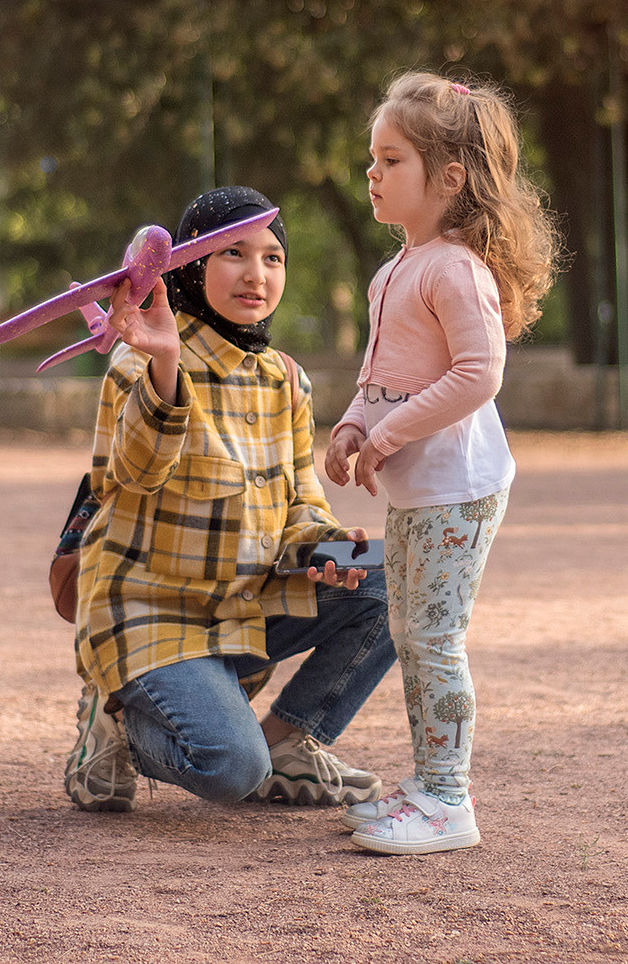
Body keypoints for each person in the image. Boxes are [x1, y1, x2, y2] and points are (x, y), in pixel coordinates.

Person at [63, 187, 394, 814]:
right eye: (233, 254)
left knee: (396, 577)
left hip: (243, 605)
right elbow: (130, 476)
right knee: (231, 769)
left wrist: (326, 545)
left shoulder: (284, 379)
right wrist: (164, 366)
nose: (256, 274)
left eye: (273, 258)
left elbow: (299, 499)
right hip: (152, 613)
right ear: (189, 267)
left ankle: (291, 741)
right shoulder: (142, 360)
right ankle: (114, 717)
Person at [322, 72, 557, 855]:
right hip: (419, 490)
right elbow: (382, 373)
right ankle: (427, 781)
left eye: (391, 160)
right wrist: (355, 424)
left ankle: (449, 799)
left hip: (458, 486)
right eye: (372, 159)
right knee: (410, 629)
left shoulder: (454, 266)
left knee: (432, 636)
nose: (373, 173)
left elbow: (478, 373)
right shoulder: (396, 269)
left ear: (447, 178)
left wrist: (385, 439)